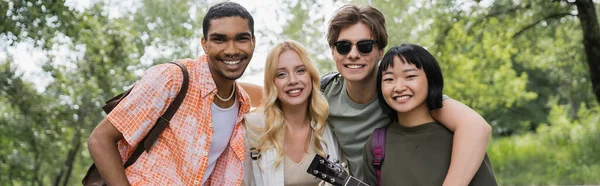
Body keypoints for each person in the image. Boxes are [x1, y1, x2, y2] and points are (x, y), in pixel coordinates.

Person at [242, 4, 493, 185]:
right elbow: (283, 91)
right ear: (333, 52)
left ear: (380, 50)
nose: (353, 54)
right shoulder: (325, 94)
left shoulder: (401, 95)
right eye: (343, 46)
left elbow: (475, 127)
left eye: (364, 46)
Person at [87, 2, 257, 185]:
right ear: (205, 44)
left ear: (253, 42)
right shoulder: (173, 78)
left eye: (241, 39)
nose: (231, 50)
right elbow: (100, 139)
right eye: (219, 39)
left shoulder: (241, 103)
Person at [363, 44, 497, 186]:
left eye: (410, 76)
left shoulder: (461, 138)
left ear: (430, 79)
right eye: (389, 79)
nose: (399, 87)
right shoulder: (376, 145)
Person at [243, 40, 342, 186]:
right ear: (272, 83)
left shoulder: (328, 125)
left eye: (300, 70)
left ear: (311, 76)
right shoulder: (253, 127)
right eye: (281, 74)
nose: (293, 80)